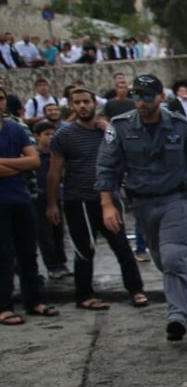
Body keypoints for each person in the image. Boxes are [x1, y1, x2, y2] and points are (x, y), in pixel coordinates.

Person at [96, 74, 187, 341]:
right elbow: (107, 168)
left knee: (174, 256)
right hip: (142, 203)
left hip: (176, 200)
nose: (141, 101)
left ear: (161, 98)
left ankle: (176, 315)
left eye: (147, 96)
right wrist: (107, 204)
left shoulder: (179, 124)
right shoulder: (119, 127)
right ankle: (184, 298)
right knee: (162, 259)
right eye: (137, 96)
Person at [49, 86, 148, 310]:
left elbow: (133, 148)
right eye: (77, 103)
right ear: (71, 106)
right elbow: (54, 172)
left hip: (110, 198)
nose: (82, 106)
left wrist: (108, 130)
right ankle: (84, 295)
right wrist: (52, 203)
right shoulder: (64, 135)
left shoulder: (109, 130)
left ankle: (136, 290)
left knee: (122, 246)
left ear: (95, 104)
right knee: (85, 249)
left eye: (86, 101)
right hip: (78, 200)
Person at [0, 112, 58, 325]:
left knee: (28, 253)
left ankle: (34, 300)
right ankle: (4, 307)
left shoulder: (16, 129)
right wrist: (18, 164)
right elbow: (26, 161)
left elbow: (34, 161)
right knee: (3, 256)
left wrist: (5, 163)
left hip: (20, 199)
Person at [32, 120, 70, 280]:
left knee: (58, 232)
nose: (50, 137)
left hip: (56, 197)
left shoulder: (57, 154)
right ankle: (52, 266)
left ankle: (62, 263)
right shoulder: (35, 157)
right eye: (46, 134)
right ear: (37, 136)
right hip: (39, 198)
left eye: (53, 134)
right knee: (45, 234)